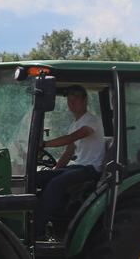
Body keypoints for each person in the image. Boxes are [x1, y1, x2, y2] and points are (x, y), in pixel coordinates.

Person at [34, 85, 105, 236]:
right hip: (78, 167)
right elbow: (68, 152)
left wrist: (44, 144)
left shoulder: (92, 121)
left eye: (76, 99)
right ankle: (33, 218)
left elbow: (72, 138)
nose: (72, 103)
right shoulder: (74, 124)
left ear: (85, 100)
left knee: (56, 183)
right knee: (38, 178)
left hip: (91, 169)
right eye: (69, 100)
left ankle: (37, 230)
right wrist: (55, 170)